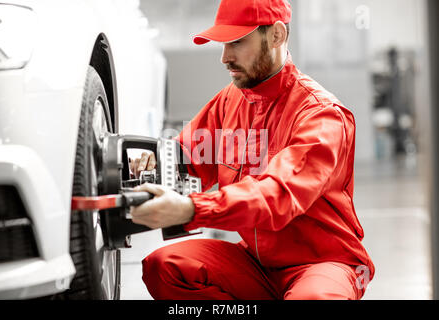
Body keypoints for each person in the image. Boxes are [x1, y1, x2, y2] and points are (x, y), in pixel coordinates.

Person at [129, 0, 375, 300]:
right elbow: (186, 157)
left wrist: (193, 209)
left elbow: (278, 195)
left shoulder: (321, 116)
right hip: (257, 264)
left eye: (236, 42)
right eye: (222, 44)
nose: (224, 57)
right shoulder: (230, 101)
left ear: (276, 36)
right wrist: (148, 165)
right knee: (166, 267)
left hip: (322, 263)